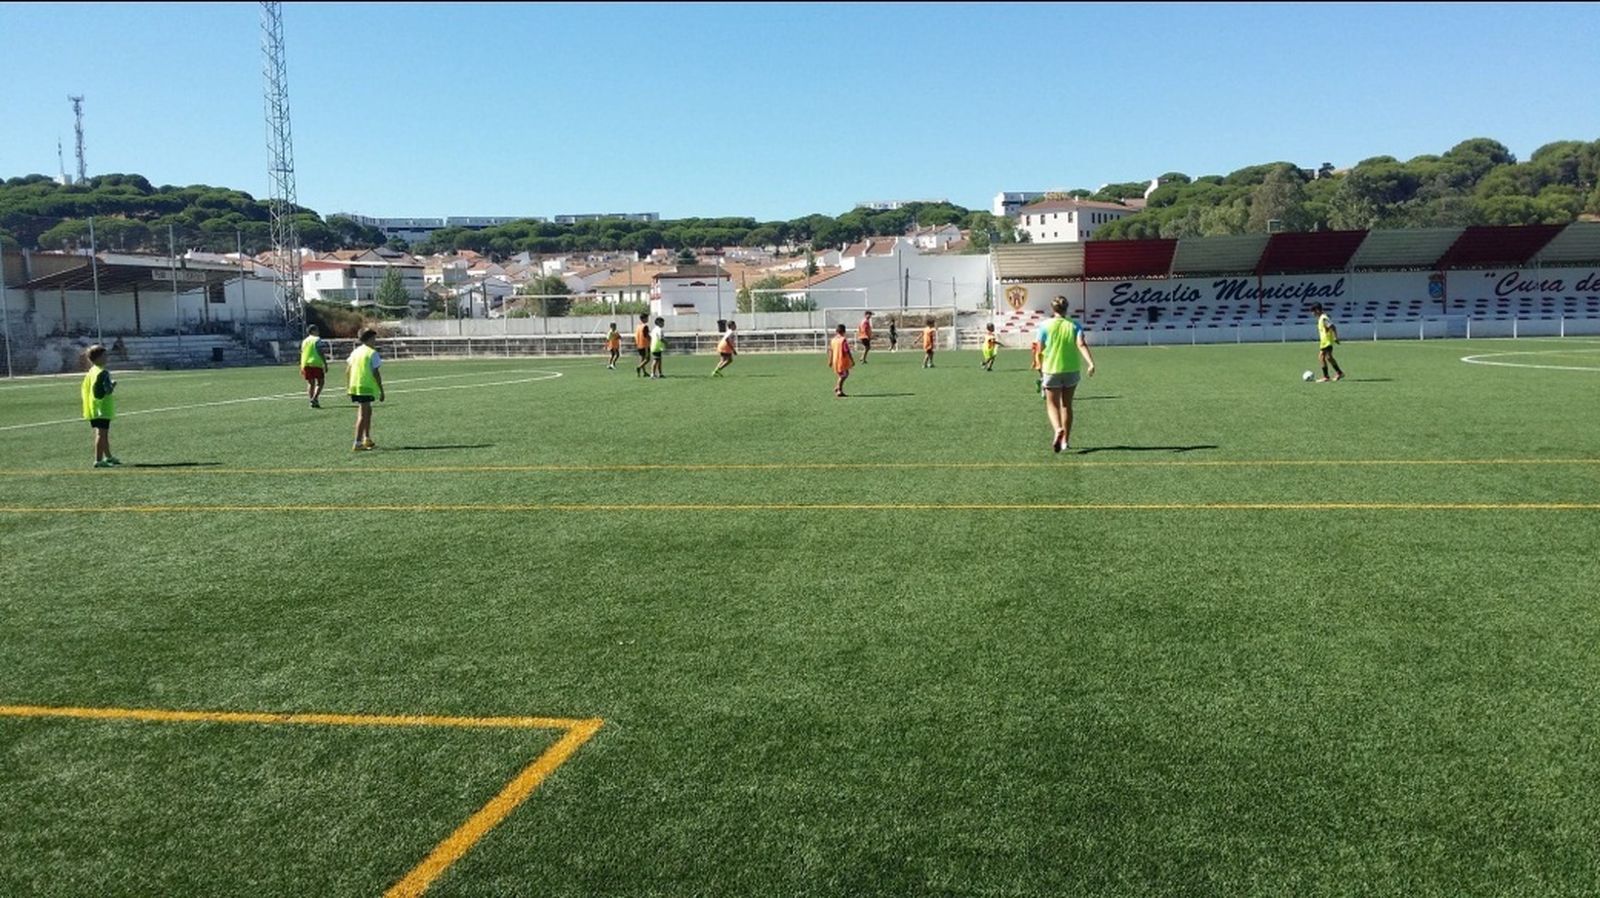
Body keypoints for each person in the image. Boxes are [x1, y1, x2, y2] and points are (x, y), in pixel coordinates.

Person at [1036, 296, 1096, 453]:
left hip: (1051, 369)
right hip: (1071, 369)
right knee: (1067, 405)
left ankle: (1057, 429)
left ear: (1052, 309)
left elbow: (1039, 348)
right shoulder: (1074, 325)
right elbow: (1081, 344)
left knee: (1051, 404)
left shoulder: (1044, 326)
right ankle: (1065, 442)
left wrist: (1038, 364)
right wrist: (1090, 363)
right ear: (1066, 308)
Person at [81, 344, 121, 468]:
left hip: (94, 407)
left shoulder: (91, 371)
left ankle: (108, 456)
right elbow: (106, 391)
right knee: (101, 434)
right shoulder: (103, 373)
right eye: (104, 355)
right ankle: (98, 460)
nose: (106, 358)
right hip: (101, 408)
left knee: (103, 433)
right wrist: (113, 385)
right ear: (98, 358)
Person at [346, 328, 385, 451]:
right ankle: (357, 442)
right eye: (374, 338)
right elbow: (376, 372)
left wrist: (348, 385)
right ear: (369, 338)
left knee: (367, 411)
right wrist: (381, 389)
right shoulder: (372, 353)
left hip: (356, 385)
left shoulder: (355, 352)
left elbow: (347, 369)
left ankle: (366, 438)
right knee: (363, 414)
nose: (375, 341)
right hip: (365, 386)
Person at [1311, 302, 1345, 382]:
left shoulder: (1323, 318)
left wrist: (1335, 337)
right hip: (1325, 341)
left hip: (1327, 341)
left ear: (1317, 310)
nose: (1312, 313)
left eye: (1313, 311)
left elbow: (1332, 326)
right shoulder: (1321, 318)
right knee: (1329, 358)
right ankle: (1339, 373)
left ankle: (1326, 376)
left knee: (1321, 357)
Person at [300, 324, 330, 407]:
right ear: (313, 331)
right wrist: (325, 363)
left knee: (311, 383)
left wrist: (301, 365)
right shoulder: (317, 339)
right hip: (316, 363)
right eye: (317, 330)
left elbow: (302, 353)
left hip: (306, 363)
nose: (318, 332)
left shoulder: (304, 341)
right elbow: (320, 351)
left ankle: (311, 401)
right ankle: (315, 398)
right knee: (321, 382)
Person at [827, 323, 853, 397]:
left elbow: (830, 350)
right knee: (844, 375)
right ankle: (838, 389)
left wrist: (830, 360)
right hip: (842, 360)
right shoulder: (843, 340)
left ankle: (838, 388)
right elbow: (847, 351)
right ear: (844, 331)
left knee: (843, 374)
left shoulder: (833, 340)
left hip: (835, 360)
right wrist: (852, 360)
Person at [633, 312, 652, 377]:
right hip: (645, 345)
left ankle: (644, 372)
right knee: (647, 359)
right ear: (643, 318)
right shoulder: (645, 326)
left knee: (642, 359)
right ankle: (639, 367)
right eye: (647, 318)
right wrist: (651, 340)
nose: (647, 319)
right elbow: (646, 336)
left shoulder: (638, 326)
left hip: (639, 344)